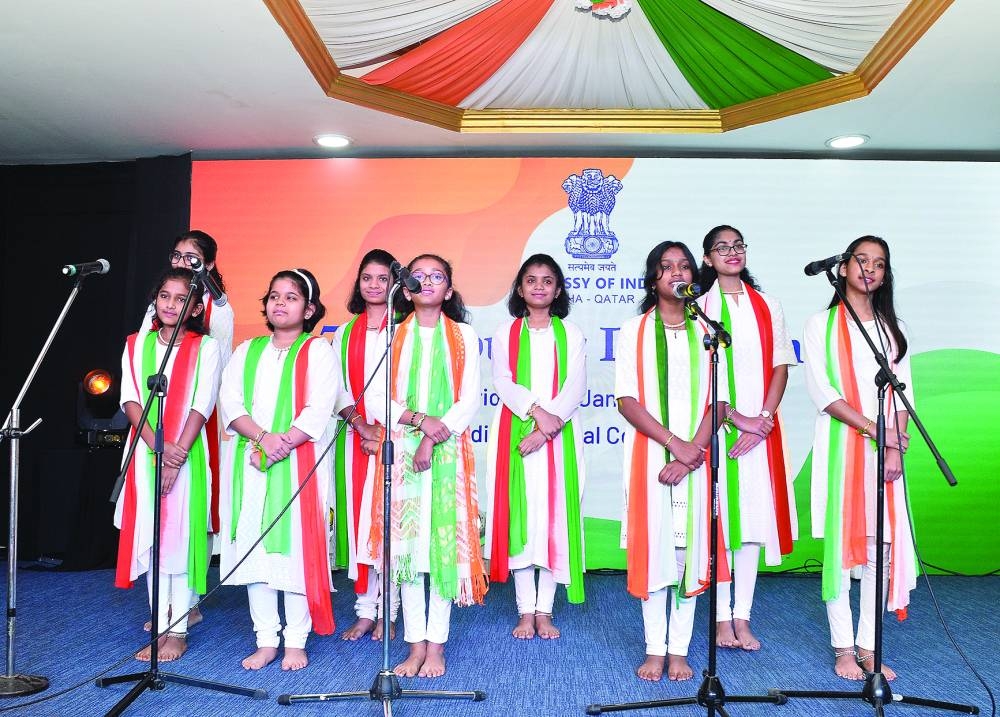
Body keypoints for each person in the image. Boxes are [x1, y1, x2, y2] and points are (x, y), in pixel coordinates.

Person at [615, 241, 730, 682]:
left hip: (695, 460)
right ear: (653, 279)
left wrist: (691, 453)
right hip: (650, 454)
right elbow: (627, 400)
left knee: (687, 552)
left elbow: (719, 402)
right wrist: (672, 444)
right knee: (656, 549)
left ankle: (679, 649)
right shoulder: (634, 331)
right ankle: (654, 647)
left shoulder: (710, 334)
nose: (677, 274)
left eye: (684, 267)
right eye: (667, 268)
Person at [802, 235, 915, 681]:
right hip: (842, 447)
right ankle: (843, 647)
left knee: (878, 551)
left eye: (879, 263)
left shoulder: (891, 328)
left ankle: (869, 645)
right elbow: (824, 392)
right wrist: (876, 431)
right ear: (844, 267)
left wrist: (894, 446)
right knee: (841, 548)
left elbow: (904, 394)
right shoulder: (820, 324)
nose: (869, 269)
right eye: (861, 260)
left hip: (884, 451)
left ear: (885, 275)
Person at [369, 254, 487, 679]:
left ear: (449, 290)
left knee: (441, 553)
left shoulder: (464, 336)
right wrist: (420, 425)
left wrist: (434, 438)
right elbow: (378, 399)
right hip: (401, 451)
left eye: (437, 276)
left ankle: (436, 646)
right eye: (418, 276)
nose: (427, 282)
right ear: (405, 288)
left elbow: (469, 398)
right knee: (407, 555)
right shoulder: (389, 335)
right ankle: (413, 645)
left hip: (449, 451)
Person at [218, 268, 339, 671]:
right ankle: (266, 638)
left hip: (298, 466)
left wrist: (278, 445)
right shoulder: (246, 350)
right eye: (274, 296)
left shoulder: (319, 351)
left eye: (291, 297)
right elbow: (231, 403)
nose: (281, 303)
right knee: (256, 552)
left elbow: (318, 411)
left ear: (309, 308)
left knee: (294, 553)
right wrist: (264, 439)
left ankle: (296, 640)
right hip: (253, 464)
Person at [697, 225, 797, 651]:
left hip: (763, 430)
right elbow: (699, 375)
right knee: (721, 524)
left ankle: (743, 617)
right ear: (707, 259)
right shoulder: (698, 308)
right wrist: (738, 419)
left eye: (738, 246)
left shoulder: (768, 305)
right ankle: (721, 620)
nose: (732, 253)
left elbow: (780, 366)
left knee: (753, 524)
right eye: (722, 247)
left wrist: (763, 420)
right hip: (718, 427)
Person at [114, 267, 221, 662]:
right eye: (165, 296)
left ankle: (177, 629)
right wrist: (157, 446)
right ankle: (160, 625)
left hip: (188, 455)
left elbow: (202, 404)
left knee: (179, 538)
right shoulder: (135, 344)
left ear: (195, 307)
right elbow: (130, 399)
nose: (171, 304)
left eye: (181, 299)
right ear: (154, 300)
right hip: (145, 452)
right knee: (154, 539)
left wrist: (176, 455)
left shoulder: (204, 347)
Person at [485, 254, 587, 640]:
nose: (539, 286)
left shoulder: (572, 334)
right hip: (515, 431)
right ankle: (524, 610)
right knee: (522, 520)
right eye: (531, 280)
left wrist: (544, 428)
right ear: (520, 289)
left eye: (548, 280)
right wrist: (534, 411)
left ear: (558, 289)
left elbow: (575, 387)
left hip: (558, 436)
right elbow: (503, 381)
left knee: (554, 519)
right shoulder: (505, 332)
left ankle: (545, 610)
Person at [138, 229, 233, 631]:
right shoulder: (157, 304)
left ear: (209, 265)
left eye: (192, 257)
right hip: (156, 415)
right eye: (177, 255)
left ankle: (189, 599)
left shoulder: (218, 307)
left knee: (198, 509)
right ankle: (162, 604)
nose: (181, 262)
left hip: (200, 418)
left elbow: (219, 366)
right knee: (155, 508)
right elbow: (142, 356)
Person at [330, 249, 401, 641]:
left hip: (396, 440)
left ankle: (389, 610)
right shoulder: (343, 334)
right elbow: (336, 388)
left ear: (396, 285)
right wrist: (360, 426)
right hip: (357, 439)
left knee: (390, 526)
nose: (374, 285)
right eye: (367, 278)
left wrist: (387, 430)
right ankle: (363, 609)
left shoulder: (406, 330)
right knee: (361, 526)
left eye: (383, 278)